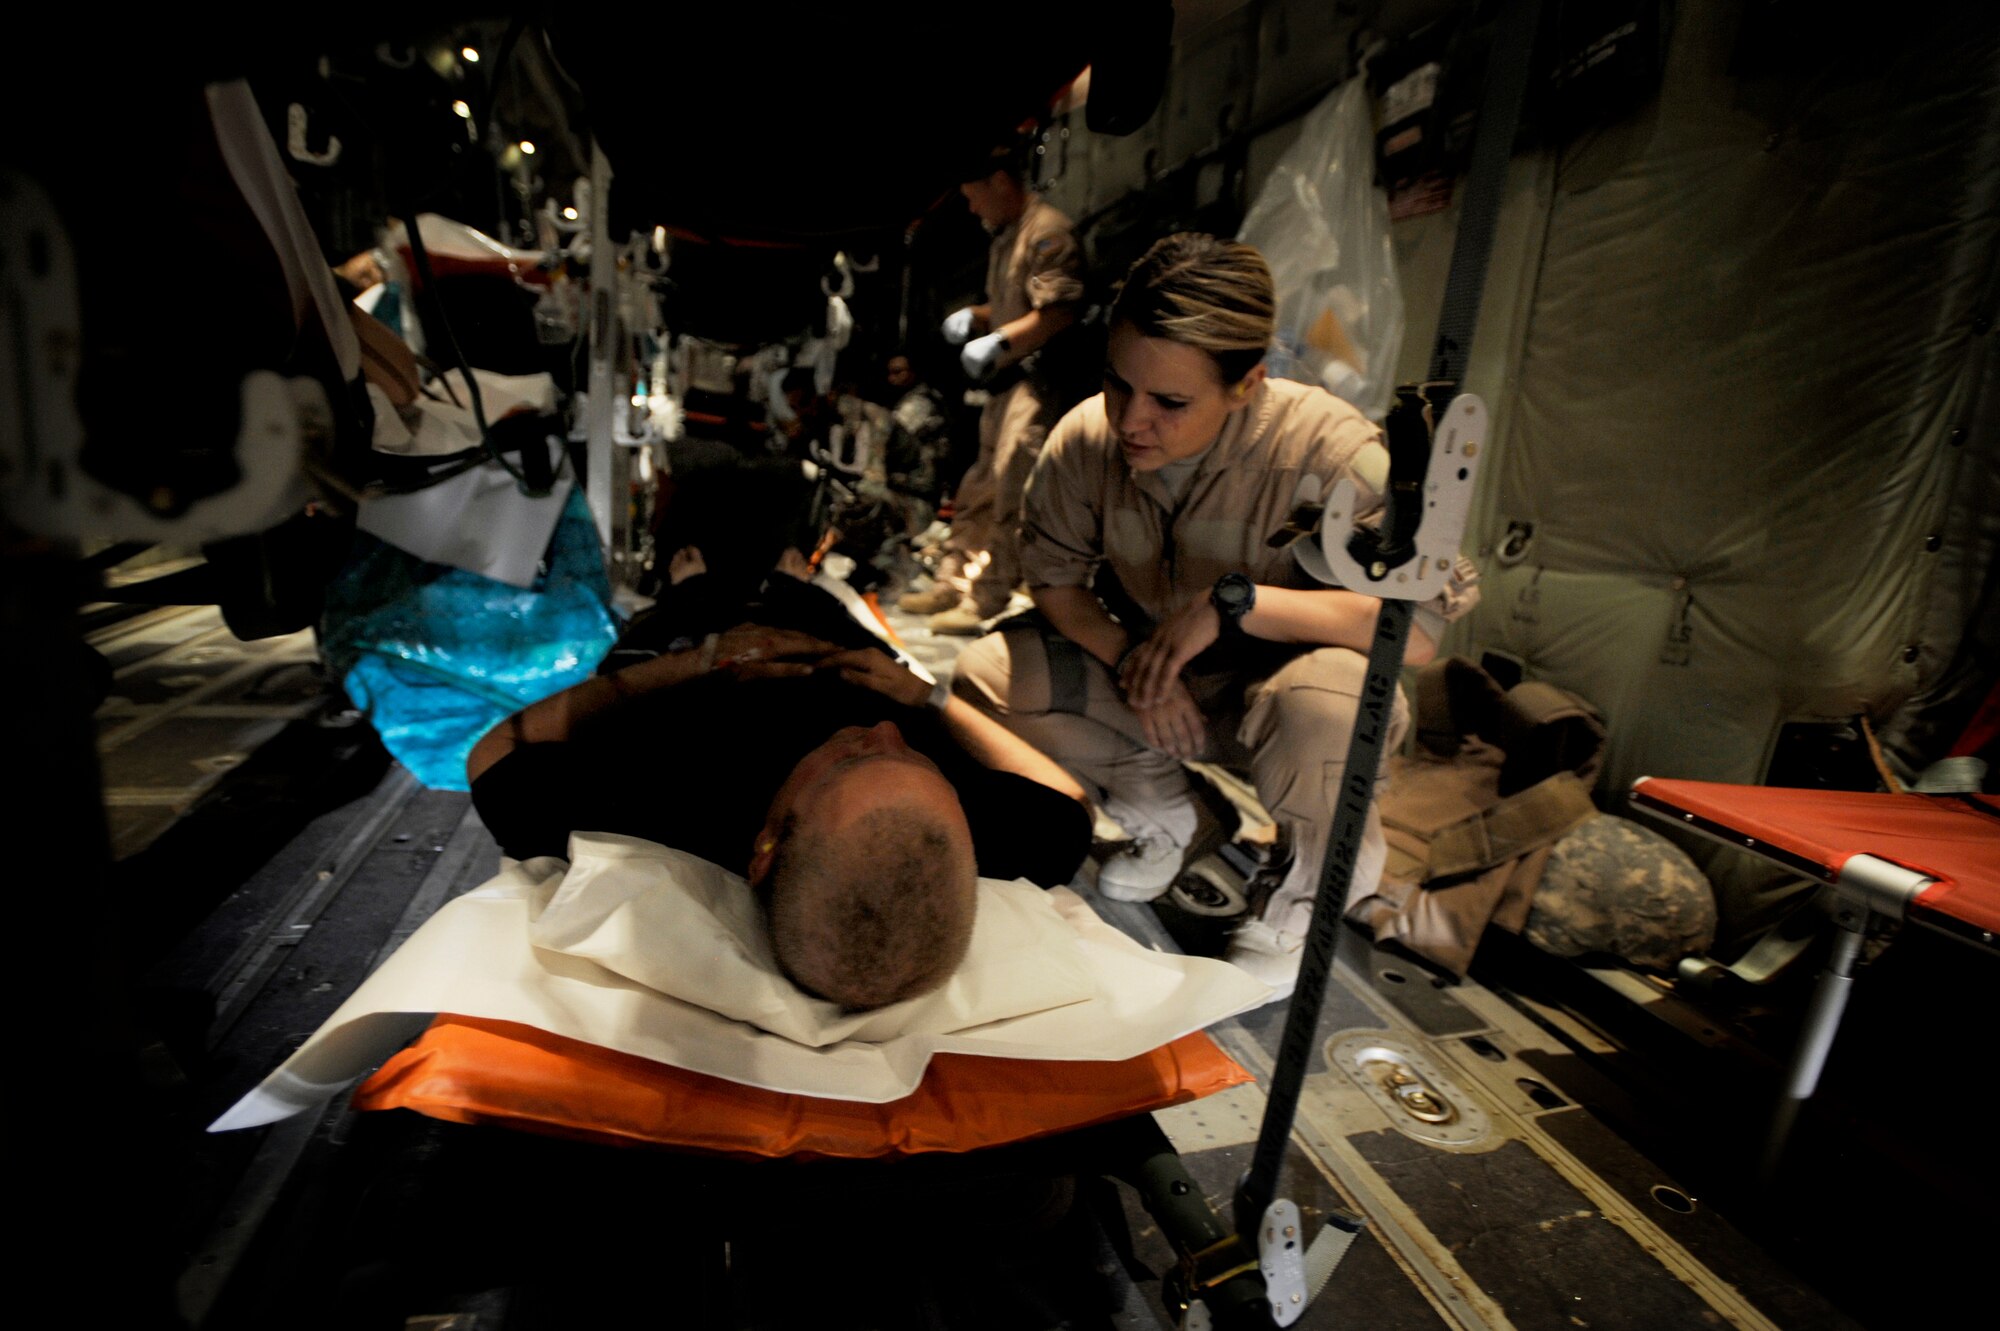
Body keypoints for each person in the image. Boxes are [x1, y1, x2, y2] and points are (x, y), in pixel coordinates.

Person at [950, 233, 1480, 997]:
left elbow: (1418, 630)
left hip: (1282, 711)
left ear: (1248, 383)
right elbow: (1057, 582)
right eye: (1117, 383)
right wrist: (1137, 661)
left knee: (1332, 697)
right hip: (1163, 696)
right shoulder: (1084, 443)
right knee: (988, 676)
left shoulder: (1332, 453)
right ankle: (1173, 811)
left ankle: (1308, 877)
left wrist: (1241, 605)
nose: (1133, 420)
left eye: (1170, 402)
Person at [467, 548, 1093, 1012]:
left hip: (699, 656)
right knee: (824, 615)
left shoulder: (663, 807)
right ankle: (797, 584)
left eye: (848, 761)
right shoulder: (957, 834)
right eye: (925, 767)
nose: (885, 734)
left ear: (765, 848)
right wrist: (926, 699)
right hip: (851, 661)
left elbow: (495, 751)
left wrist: (695, 664)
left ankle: (694, 585)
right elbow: (1067, 802)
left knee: (684, 606)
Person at [898, 143, 1087, 634]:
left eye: (974, 195)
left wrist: (998, 341)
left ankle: (987, 596)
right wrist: (978, 317)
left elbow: (1058, 312)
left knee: (1012, 486)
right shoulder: (1008, 238)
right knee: (978, 485)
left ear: (1000, 182)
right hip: (1003, 385)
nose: (972, 206)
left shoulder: (1048, 234)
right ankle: (953, 582)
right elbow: (1008, 303)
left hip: (1035, 384)